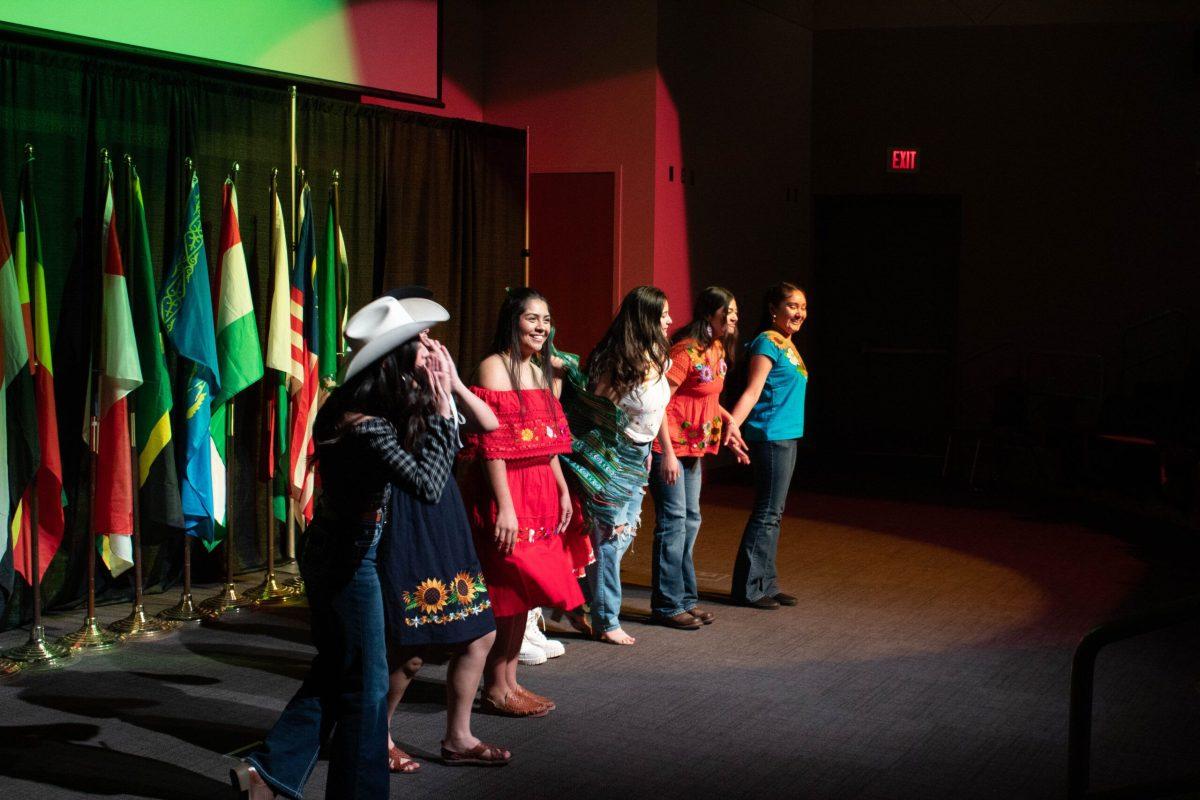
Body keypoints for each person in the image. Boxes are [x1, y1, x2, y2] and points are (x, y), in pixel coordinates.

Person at [231, 291, 462, 800]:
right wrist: (445, 406)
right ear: (394, 359)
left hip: (349, 550)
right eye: (420, 344)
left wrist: (440, 401)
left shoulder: (369, 408)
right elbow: (428, 486)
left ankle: (265, 773)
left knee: (339, 671)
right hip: (344, 560)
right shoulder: (365, 426)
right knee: (367, 686)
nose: (431, 350)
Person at [377, 315, 513, 771]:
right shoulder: (387, 397)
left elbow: (489, 423)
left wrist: (453, 383)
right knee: (412, 646)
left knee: (480, 632)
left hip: (446, 517)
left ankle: (458, 736)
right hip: (411, 517)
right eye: (420, 341)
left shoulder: (440, 389)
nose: (432, 345)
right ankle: (377, 735)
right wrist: (435, 397)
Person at [463, 287, 584, 716]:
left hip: (540, 488)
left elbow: (548, 443)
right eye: (533, 318)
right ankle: (495, 685)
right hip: (508, 491)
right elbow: (491, 445)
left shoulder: (538, 372)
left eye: (546, 320)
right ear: (513, 320)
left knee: (526, 593)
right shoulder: (494, 369)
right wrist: (506, 507)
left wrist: (563, 489)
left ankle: (509, 681)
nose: (541, 327)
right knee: (507, 590)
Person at [558, 286, 673, 645]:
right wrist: (600, 461)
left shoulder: (659, 356)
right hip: (615, 453)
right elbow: (595, 411)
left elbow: (659, 409)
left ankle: (577, 593)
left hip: (642, 452)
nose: (670, 320)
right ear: (647, 319)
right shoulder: (618, 362)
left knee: (626, 532)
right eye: (664, 314)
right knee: (609, 537)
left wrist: (664, 450)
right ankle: (607, 620)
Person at [648, 286, 749, 630]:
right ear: (710, 315)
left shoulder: (716, 349)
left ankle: (685, 599)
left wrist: (728, 420)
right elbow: (660, 401)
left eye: (735, 311)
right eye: (728, 311)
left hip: (695, 448)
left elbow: (706, 397)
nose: (734, 317)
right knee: (673, 523)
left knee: (691, 520)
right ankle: (666, 604)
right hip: (671, 448)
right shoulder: (685, 352)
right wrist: (668, 454)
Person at [726, 282, 808, 609]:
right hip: (771, 435)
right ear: (773, 308)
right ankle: (749, 587)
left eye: (803, 307)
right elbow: (752, 390)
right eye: (792, 305)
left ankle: (766, 582)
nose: (799, 312)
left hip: (787, 435)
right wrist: (732, 423)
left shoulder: (786, 342)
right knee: (767, 512)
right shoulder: (766, 343)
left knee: (775, 512)